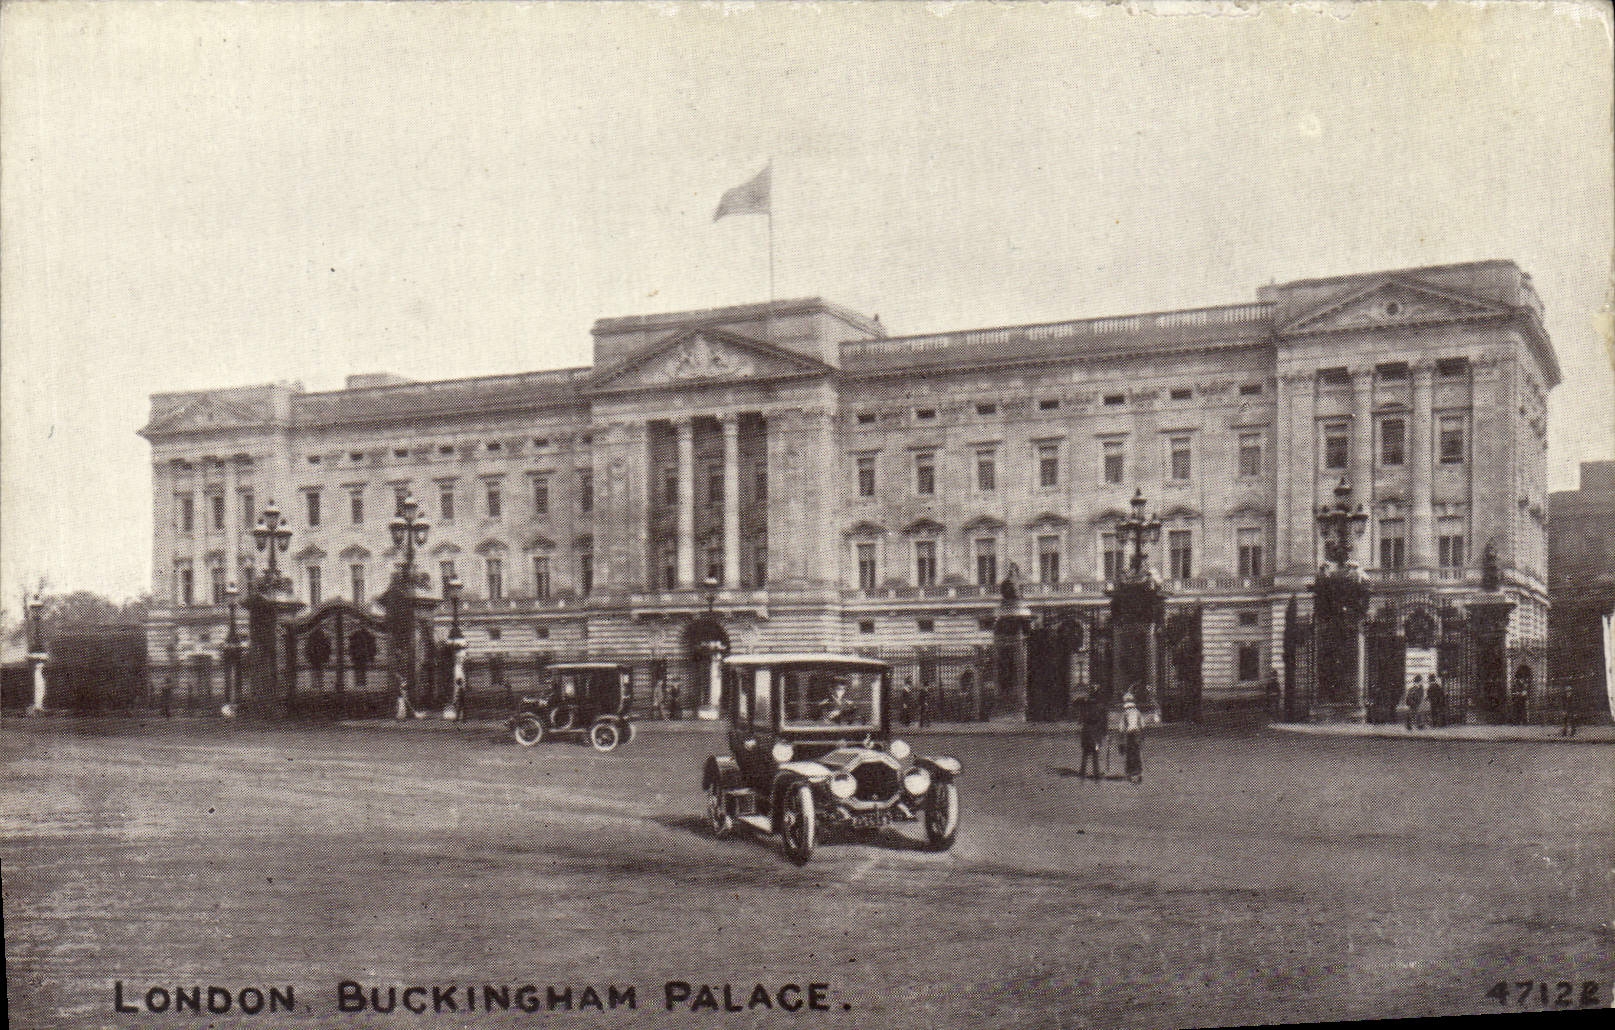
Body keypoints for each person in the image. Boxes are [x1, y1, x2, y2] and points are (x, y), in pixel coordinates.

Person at [1078, 690, 1108, 781]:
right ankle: (1096, 774)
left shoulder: (1085, 707)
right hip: (1095, 734)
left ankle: (1082, 772)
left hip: (1086, 733)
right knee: (1095, 754)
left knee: (1085, 753)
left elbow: (1080, 720)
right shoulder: (1101, 708)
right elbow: (1104, 722)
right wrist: (1105, 733)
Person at [1120, 692, 1144, 784]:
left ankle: (1130, 773)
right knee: (1137, 754)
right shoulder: (1137, 712)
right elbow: (1142, 725)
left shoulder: (1125, 713)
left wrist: (1121, 739)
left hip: (1129, 735)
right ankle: (1139, 773)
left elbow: (1121, 727)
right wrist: (1142, 736)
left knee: (1130, 754)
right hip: (1137, 735)